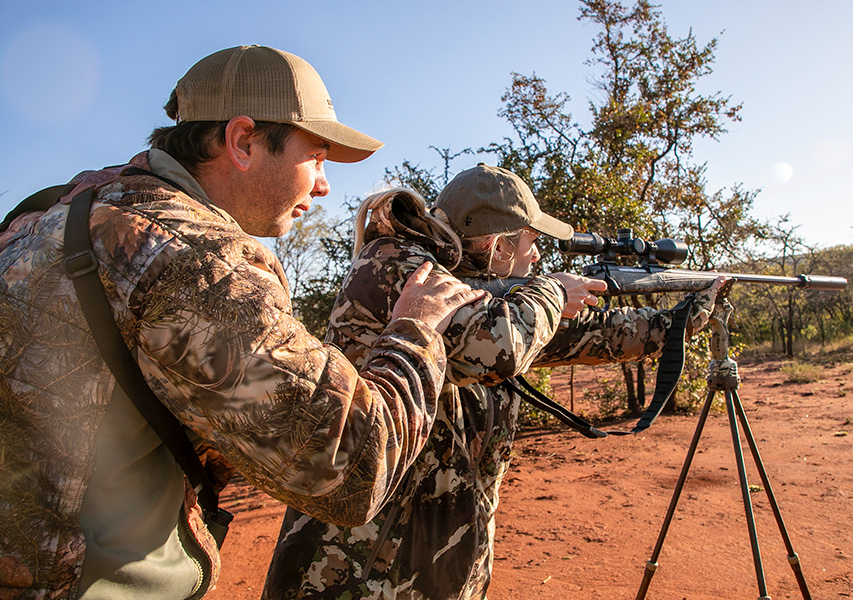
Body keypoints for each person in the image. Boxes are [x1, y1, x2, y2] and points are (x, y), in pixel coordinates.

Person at [0, 45, 485, 599]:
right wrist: (416, 331)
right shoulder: (194, 261)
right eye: (317, 156)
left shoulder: (50, 213)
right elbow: (350, 467)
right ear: (243, 141)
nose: (324, 185)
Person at [261, 164, 725, 599]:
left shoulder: (486, 296)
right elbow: (499, 345)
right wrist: (553, 291)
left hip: (437, 557)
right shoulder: (397, 266)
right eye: (529, 241)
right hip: (353, 566)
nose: (538, 255)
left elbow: (580, 336)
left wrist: (680, 321)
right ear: (495, 245)